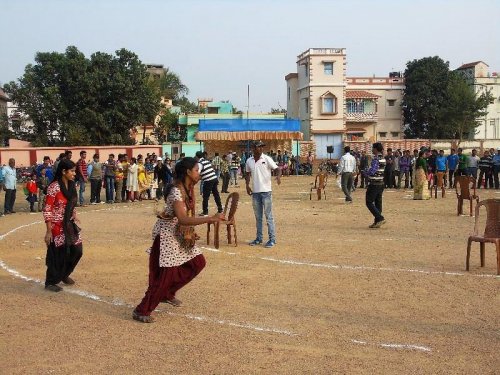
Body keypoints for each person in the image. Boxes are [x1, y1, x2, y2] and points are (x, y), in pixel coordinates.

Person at [132, 157, 223, 323]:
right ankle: (142, 310)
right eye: (196, 170)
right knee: (166, 275)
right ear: (188, 172)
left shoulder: (188, 187)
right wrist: (210, 219)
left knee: (197, 263)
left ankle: (167, 293)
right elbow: (182, 218)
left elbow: (185, 218)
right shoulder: (176, 191)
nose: (199, 173)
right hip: (167, 235)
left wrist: (192, 230)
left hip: (179, 233)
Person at [43, 159, 83, 292]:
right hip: (57, 225)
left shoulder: (72, 185)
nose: (74, 173)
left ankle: (64, 274)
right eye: (72, 171)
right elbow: (47, 208)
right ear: (63, 171)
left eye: (74, 171)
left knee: (77, 250)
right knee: (59, 254)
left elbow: (71, 203)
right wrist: (48, 231)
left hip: (69, 223)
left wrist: (74, 214)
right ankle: (51, 281)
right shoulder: (53, 187)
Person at [245, 140, 281, 248]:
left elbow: (277, 169)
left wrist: (278, 176)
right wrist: (247, 185)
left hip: (266, 192)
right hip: (255, 193)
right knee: (258, 217)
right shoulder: (249, 161)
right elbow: (247, 173)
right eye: (258, 147)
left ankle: (272, 239)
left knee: (269, 216)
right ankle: (259, 238)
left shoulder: (267, 158)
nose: (261, 149)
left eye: (261, 147)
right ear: (253, 148)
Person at [362, 143, 386, 228]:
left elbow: (372, 171)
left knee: (369, 202)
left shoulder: (376, 159)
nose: (372, 150)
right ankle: (377, 221)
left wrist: (365, 172)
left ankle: (379, 218)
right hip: (381, 183)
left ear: (376, 149)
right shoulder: (383, 158)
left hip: (374, 183)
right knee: (378, 202)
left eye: (373, 148)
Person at [195, 151, 223, 216]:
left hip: (208, 180)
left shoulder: (199, 164)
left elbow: (197, 173)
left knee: (205, 196)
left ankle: (205, 212)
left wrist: (196, 179)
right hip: (214, 178)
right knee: (216, 194)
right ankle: (220, 209)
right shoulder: (207, 161)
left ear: (197, 157)